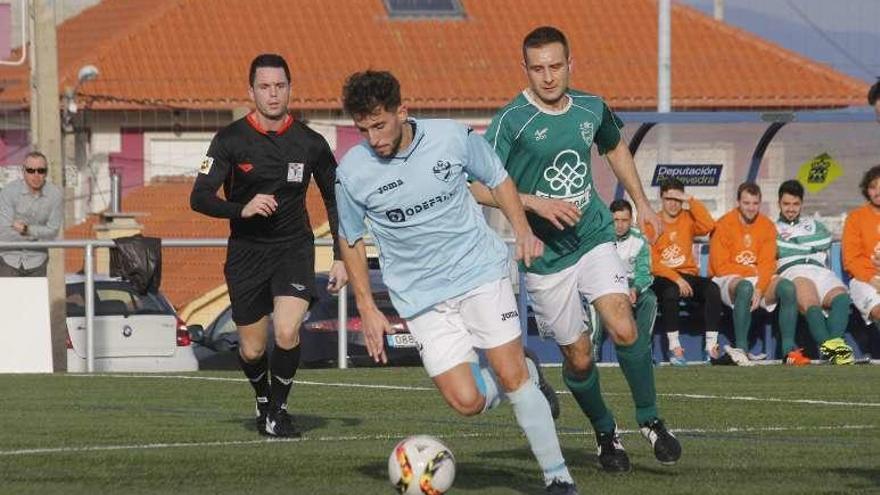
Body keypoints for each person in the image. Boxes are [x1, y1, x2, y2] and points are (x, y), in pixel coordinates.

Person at [335, 70, 578, 495]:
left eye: (379, 125)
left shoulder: (451, 137)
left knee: (510, 375)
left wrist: (522, 230)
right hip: (421, 297)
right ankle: (530, 371)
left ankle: (558, 477)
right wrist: (367, 307)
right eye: (362, 130)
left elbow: (498, 178)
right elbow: (351, 238)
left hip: (479, 272)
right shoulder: (352, 172)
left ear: (402, 112)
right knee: (467, 402)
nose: (373, 138)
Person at [471, 26, 680, 473]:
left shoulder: (591, 106)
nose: (548, 76)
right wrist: (532, 202)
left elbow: (615, 148)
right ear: (525, 70)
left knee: (623, 324)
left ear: (571, 65)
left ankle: (652, 421)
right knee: (579, 356)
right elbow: (477, 184)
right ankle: (606, 433)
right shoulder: (512, 120)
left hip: (594, 235)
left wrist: (642, 202)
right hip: (546, 258)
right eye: (538, 68)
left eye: (555, 66)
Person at [190, 53, 347, 437]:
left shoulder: (310, 143)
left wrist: (343, 256)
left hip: (293, 248)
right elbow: (199, 197)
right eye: (265, 87)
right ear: (251, 92)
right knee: (251, 350)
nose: (273, 94)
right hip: (246, 253)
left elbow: (337, 198)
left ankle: (278, 411)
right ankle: (263, 400)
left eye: (280, 86)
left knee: (288, 332)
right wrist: (241, 208)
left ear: (290, 89)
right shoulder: (230, 139)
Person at [709, 182, 797, 366]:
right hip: (726, 278)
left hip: (756, 277)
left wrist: (760, 288)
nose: (751, 208)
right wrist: (751, 273)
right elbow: (720, 266)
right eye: (746, 203)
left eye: (755, 203)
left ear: (760, 203)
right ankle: (741, 349)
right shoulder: (724, 224)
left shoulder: (766, 225)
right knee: (745, 287)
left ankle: (788, 352)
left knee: (787, 288)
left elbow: (767, 263)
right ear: (738, 202)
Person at [775, 179, 854, 365]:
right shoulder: (773, 227)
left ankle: (833, 346)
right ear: (779, 203)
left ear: (801, 204)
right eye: (786, 204)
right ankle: (832, 349)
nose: (791, 209)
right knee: (811, 303)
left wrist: (794, 243)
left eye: (795, 204)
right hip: (794, 269)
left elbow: (825, 240)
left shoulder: (813, 224)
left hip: (819, 268)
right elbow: (779, 248)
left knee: (841, 298)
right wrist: (808, 245)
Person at [645, 178, 721, 366]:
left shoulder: (688, 218)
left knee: (712, 289)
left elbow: (709, 225)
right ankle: (675, 348)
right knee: (670, 292)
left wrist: (691, 200)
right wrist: (676, 279)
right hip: (663, 276)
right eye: (669, 198)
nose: (673, 204)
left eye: (678, 199)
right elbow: (652, 263)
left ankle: (711, 347)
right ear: (661, 198)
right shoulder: (652, 222)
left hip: (687, 276)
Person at [598, 200, 656, 363]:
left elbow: (644, 273)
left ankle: (643, 352)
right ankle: (593, 351)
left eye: (624, 220)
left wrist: (636, 289)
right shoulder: (599, 239)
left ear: (631, 220)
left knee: (650, 299)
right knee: (594, 299)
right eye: (616, 220)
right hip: (604, 283)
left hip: (630, 285)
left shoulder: (640, 240)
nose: (620, 225)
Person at [0, 151, 63, 277]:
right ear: (23, 171)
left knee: (37, 298)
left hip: (37, 261)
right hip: (8, 259)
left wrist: (26, 229)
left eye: (41, 170)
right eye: (30, 170)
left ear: (46, 172)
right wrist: (38, 235)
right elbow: (3, 232)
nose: (36, 175)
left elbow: (53, 232)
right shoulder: (9, 192)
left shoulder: (55, 194)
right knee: (8, 297)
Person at [843, 165, 880, 331]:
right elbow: (851, 260)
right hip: (864, 280)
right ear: (867, 190)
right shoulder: (855, 218)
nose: (878, 192)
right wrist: (872, 280)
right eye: (873, 187)